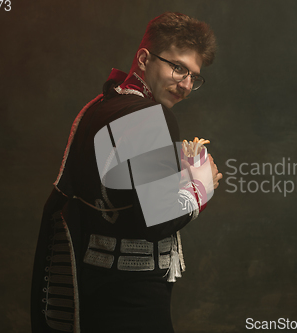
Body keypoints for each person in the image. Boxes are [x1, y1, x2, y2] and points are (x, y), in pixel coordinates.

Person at [31, 12, 222, 333]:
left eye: (193, 76)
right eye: (178, 67)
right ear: (145, 59)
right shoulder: (149, 114)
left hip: (94, 283)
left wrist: (173, 176)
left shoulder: (100, 105)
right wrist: (199, 189)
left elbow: (121, 196)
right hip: (131, 296)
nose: (186, 85)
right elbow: (156, 219)